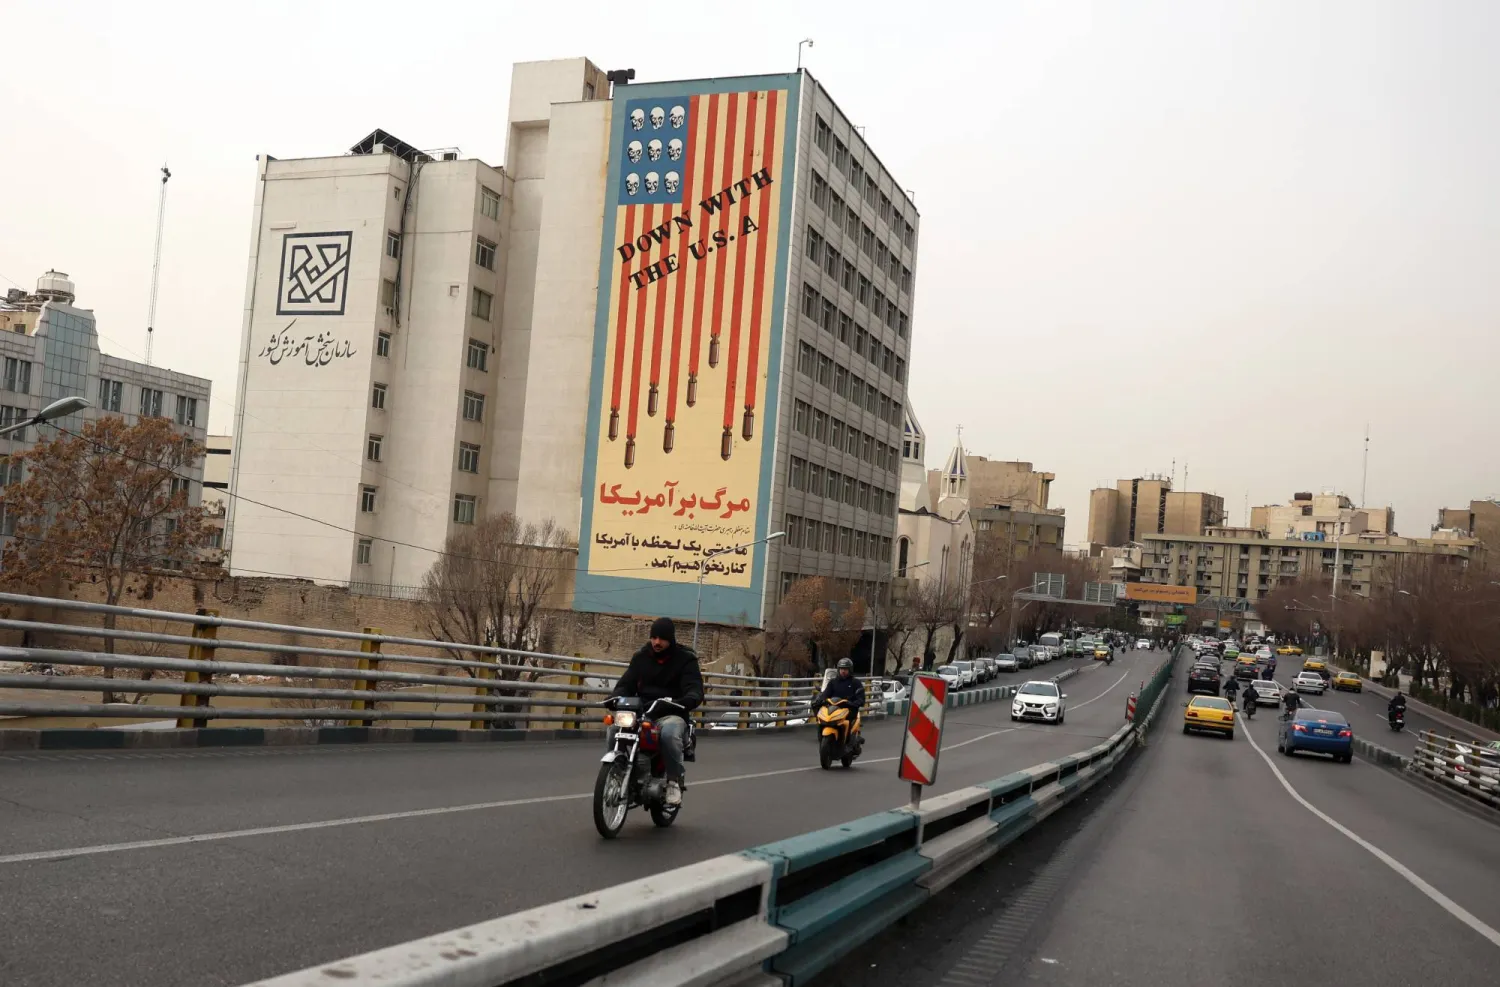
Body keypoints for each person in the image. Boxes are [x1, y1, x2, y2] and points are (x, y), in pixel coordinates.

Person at [610, 617, 704, 807]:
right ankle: (616, 774)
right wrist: (616, 697)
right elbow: (626, 683)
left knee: (669, 733)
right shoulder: (641, 657)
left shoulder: (685, 659)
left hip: (672, 713)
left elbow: (694, 689)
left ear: (670, 639)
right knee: (614, 729)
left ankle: (673, 782)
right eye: (654, 637)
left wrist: (686, 700)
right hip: (643, 712)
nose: (657, 642)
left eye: (661, 638)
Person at [813, 658, 866, 751]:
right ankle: (822, 738)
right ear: (838, 669)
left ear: (850, 670)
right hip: (834, 708)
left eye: (845, 669)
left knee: (848, 721)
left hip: (849, 708)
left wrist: (855, 703)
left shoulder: (855, 683)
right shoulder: (833, 682)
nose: (843, 671)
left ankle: (849, 743)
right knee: (822, 718)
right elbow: (825, 694)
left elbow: (861, 698)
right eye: (841, 669)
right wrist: (820, 700)